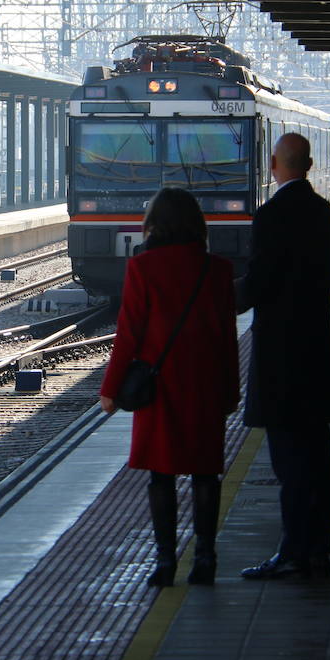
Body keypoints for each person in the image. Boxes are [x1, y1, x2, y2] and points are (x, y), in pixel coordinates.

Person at [100, 187, 240, 587]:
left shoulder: (144, 268)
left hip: (158, 388)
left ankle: (165, 563)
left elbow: (128, 335)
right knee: (205, 473)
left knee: (161, 475)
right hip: (205, 384)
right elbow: (226, 336)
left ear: (154, 225)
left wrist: (110, 389)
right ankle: (206, 558)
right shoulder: (218, 270)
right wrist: (231, 390)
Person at [236, 132, 330, 580]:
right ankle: (317, 548)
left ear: (276, 164)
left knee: (289, 459)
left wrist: (215, 298)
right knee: (318, 456)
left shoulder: (272, 215)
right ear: (311, 164)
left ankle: (294, 549)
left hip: (281, 355)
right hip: (317, 347)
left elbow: (257, 284)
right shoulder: (326, 214)